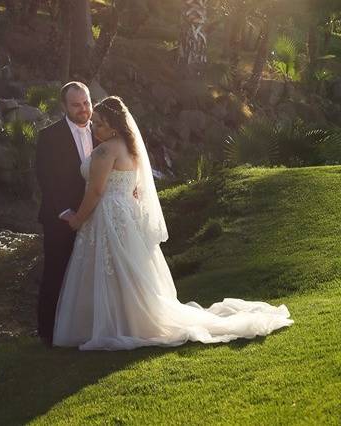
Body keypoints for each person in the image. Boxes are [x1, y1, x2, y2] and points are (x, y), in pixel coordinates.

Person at [52, 96, 293, 350]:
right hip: (126, 215)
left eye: (99, 123)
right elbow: (132, 186)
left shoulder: (104, 150)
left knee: (112, 270)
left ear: (113, 125)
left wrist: (77, 219)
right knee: (127, 272)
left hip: (108, 214)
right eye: (94, 123)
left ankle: (110, 325)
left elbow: (97, 191)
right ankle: (127, 321)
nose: (94, 127)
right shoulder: (129, 147)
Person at [35, 81, 95, 346]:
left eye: (86, 103)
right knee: (56, 272)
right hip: (61, 218)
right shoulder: (49, 136)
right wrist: (66, 212)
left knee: (90, 273)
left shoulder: (103, 132)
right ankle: (48, 333)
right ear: (64, 106)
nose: (83, 109)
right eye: (76, 105)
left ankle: (86, 327)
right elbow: (45, 178)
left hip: (95, 217)